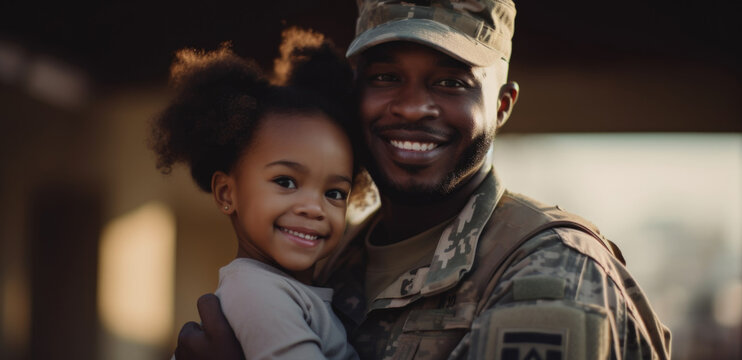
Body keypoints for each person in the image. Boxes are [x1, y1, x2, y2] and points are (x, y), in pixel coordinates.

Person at [175, 1, 672, 359]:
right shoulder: (331, 260)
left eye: (451, 82)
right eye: (386, 77)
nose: (412, 107)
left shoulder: (550, 271)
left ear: (501, 106)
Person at [150, 28, 362, 359]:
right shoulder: (257, 294)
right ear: (226, 193)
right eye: (286, 182)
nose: (313, 207)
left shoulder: (284, 290)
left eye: (334, 192)